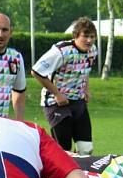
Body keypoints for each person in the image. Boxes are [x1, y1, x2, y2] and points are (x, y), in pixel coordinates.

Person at [32, 17, 97, 154]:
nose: (89, 40)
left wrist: (85, 89)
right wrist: (57, 94)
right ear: (76, 35)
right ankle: (54, 174)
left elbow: (85, 70)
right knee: (64, 151)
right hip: (57, 104)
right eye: (85, 36)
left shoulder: (92, 51)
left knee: (86, 149)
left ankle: (80, 174)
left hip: (78, 102)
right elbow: (36, 71)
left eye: (92, 37)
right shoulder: (61, 51)